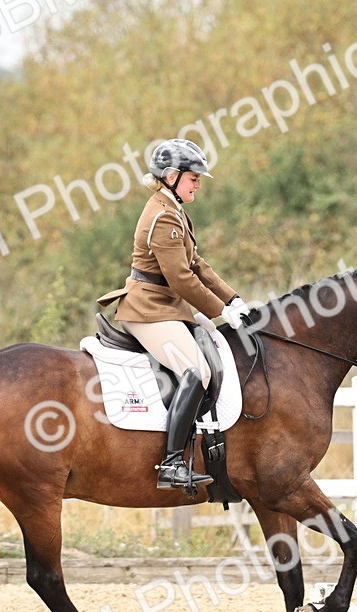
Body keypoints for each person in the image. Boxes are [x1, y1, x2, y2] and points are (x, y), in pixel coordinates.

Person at [96, 138, 251, 490]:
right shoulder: (163, 215)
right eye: (193, 177)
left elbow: (197, 264)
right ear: (170, 176)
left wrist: (233, 299)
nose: (198, 182)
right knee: (196, 372)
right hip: (148, 308)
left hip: (166, 306)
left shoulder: (175, 208)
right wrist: (221, 310)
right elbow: (181, 278)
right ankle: (171, 464)